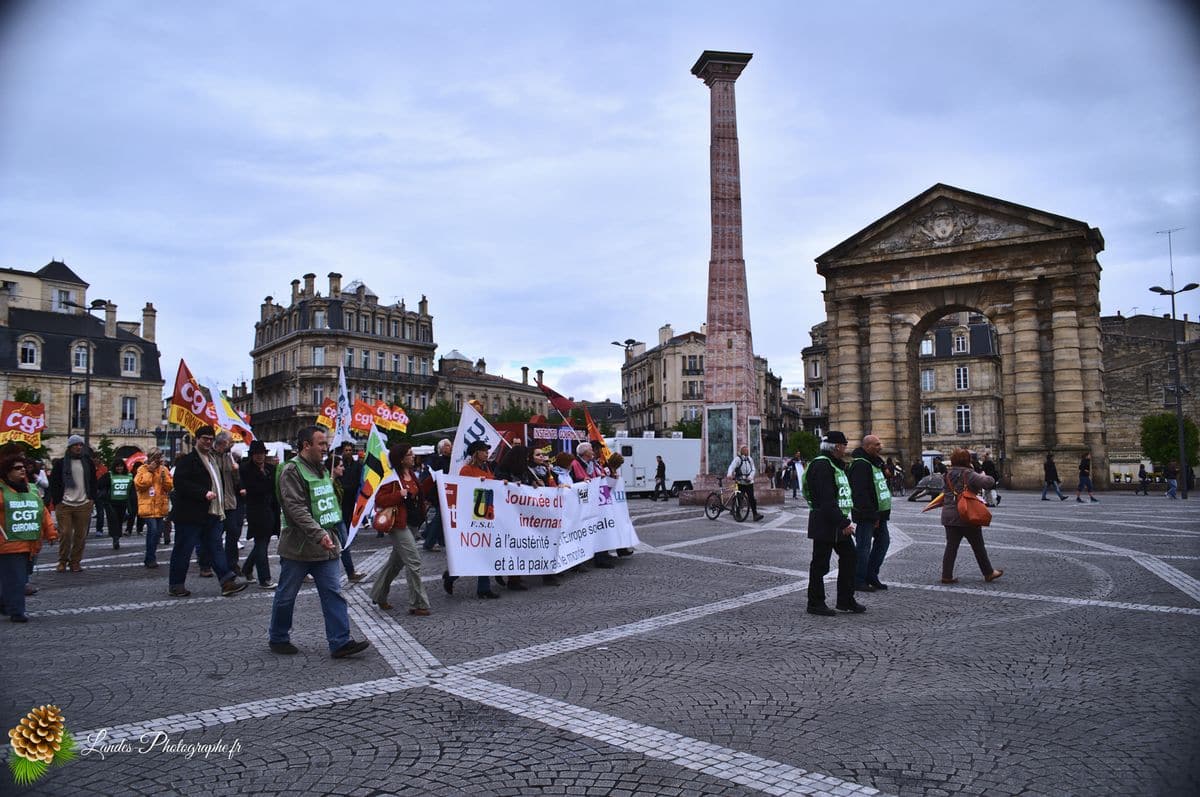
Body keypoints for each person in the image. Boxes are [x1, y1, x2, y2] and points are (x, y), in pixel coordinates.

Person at [269, 426, 371, 658]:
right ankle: (278, 637)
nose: (326, 448)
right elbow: (295, 508)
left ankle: (340, 642)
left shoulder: (323, 470)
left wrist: (333, 532)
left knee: (333, 592)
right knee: (286, 596)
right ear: (306, 445)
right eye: (321, 444)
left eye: (326, 444)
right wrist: (319, 534)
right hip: (300, 547)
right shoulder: (291, 471)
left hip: (326, 545)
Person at [168, 426, 249, 598]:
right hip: (191, 514)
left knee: (215, 547)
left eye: (210, 439)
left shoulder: (212, 460)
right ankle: (176, 584)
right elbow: (181, 483)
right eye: (204, 438)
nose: (208, 442)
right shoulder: (188, 460)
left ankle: (227, 582)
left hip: (212, 513)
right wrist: (202, 493)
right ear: (197, 439)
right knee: (184, 549)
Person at [802, 431, 861, 616]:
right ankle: (815, 602)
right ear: (837, 446)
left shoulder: (833, 464)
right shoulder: (821, 465)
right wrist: (844, 523)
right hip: (825, 522)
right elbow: (826, 499)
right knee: (820, 564)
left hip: (835, 521)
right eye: (844, 445)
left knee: (850, 557)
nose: (845, 449)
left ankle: (845, 600)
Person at [369, 443, 432, 615]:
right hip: (398, 524)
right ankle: (418, 603)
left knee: (395, 563)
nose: (413, 457)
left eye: (412, 454)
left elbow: (417, 495)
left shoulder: (411, 474)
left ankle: (379, 595)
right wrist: (399, 494)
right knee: (414, 561)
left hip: (412, 523)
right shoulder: (392, 478)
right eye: (410, 454)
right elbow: (380, 500)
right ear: (401, 459)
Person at [0, 451, 57, 622]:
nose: (22, 470)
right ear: (7, 472)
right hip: (10, 543)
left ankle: (5, 603)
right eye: (17, 468)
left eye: (23, 467)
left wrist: (51, 532)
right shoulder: (2, 491)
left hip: (31, 543)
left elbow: (43, 512)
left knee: (18, 577)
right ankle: (17, 611)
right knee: (16, 579)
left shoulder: (32, 489)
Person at [442, 439, 500, 598]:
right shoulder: (466, 470)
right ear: (476, 453)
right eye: (483, 450)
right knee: (475, 552)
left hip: (487, 514)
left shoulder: (488, 468)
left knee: (485, 551)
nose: (487, 453)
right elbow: (464, 491)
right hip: (473, 516)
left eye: (487, 451)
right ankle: (452, 576)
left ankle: (483, 588)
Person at [940, 448, 1003, 584]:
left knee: (951, 546)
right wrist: (986, 475)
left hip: (949, 516)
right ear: (967, 460)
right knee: (978, 546)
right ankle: (988, 573)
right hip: (967, 514)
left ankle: (946, 575)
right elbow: (988, 483)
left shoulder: (947, 474)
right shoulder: (968, 474)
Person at [49, 434, 97, 573]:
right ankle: (62, 560)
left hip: (83, 503)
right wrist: (58, 500)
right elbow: (54, 483)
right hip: (65, 504)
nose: (79, 447)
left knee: (81, 535)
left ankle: (75, 561)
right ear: (70, 447)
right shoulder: (60, 463)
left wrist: (91, 498)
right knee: (65, 533)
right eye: (76, 445)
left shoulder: (87, 462)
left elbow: (93, 481)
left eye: (81, 445)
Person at [849, 434, 891, 592]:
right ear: (866, 446)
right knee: (863, 546)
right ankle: (858, 579)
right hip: (867, 514)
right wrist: (872, 515)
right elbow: (860, 493)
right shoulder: (861, 464)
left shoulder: (874, 462)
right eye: (876, 444)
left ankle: (871, 574)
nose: (880, 447)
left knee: (883, 542)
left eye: (880, 444)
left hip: (878, 513)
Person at [240, 440, 279, 588]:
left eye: (262, 453)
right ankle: (265, 578)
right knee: (261, 544)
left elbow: (273, 487)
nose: (260, 456)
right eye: (257, 454)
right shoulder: (246, 469)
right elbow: (255, 488)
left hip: (271, 510)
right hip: (256, 511)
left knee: (263, 543)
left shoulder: (270, 468)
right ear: (252, 455)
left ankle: (247, 568)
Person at [134, 448, 173, 568]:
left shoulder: (164, 469)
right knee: (153, 530)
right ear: (150, 458)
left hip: (160, 507)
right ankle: (150, 558)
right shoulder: (142, 469)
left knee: (157, 534)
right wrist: (150, 472)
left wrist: (164, 478)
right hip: (148, 506)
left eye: (159, 457)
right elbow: (140, 485)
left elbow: (169, 486)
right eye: (156, 457)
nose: (158, 460)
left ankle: (149, 557)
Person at [213, 432, 245, 572]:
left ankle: (232, 563)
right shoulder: (211, 457)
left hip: (230, 501)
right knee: (214, 535)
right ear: (222, 443)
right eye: (230, 442)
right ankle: (209, 562)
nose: (232, 444)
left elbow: (237, 482)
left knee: (233, 532)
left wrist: (236, 472)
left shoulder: (229, 457)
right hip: (215, 502)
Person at [422, 438, 451, 552]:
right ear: (442, 449)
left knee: (442, 517)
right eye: (448, 446)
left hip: (444, 493)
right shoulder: (437, 460)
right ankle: (429, 542)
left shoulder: (448, 460)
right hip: (438, 493)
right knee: (440, 517)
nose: (451, 447)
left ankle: (430, 535)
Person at [98, 459, 133, 550]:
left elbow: (132, 490)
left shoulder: (129, 476)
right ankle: (115, 538)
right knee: (114, 520)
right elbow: (99, 484)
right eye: (117, 466)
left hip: (123, 502)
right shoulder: (109, 475)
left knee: (119, 520)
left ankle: (117, 536)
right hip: (111, 502)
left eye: (121, 466)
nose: (119, 468)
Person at [726, 445, 763, 521]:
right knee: (740, 498)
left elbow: (753, 469)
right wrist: (729, 474)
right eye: (745, 449)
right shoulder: (738, 459)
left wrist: (751, 476)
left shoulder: (750, 459)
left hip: (749, 482)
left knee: (752, 498)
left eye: (747, 449)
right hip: (740, 482)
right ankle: (738, 514)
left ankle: (755, 514)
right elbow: (731, 467)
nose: (747, 450)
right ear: (741, 451)